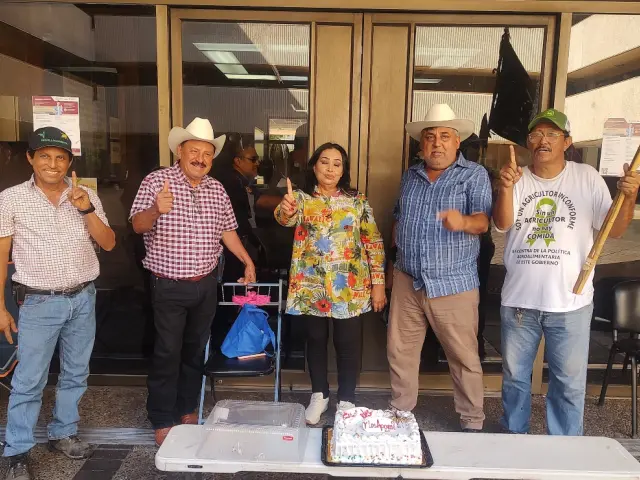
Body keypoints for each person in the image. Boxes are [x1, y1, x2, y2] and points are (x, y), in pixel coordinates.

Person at [494, 108, 640, 436]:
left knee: (569, 384)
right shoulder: (517, 178)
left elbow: (615, 229)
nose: (542, 140)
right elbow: (502, 224)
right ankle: (513, 440)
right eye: (536, 134)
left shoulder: (586, 177)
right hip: (519, 303)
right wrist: (505, 188)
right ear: (528, 142)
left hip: (571, 304)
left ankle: (565, 448)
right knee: (515, 380)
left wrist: (629, 197)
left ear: (567, 142)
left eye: (552, 134)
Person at [129, 117, 256, 446]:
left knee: (195, 350)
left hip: (205, 284)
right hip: (168, 285)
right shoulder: (157, 181)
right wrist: (156, 210)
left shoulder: (216, 188)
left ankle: (187, 408)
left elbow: (228, 231)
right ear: (180, 152)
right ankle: (161, 417)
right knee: (167, 352)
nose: (200, 158)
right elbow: (138, 225)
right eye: (194, 151)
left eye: (207, 153)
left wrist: (247, 260)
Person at [0, 127, 115, 480]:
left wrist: (86, 209)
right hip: (39, 301)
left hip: (82, 296)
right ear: (30, 158)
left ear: (69, 162)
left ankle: (63, 433)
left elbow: (109, 242)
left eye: (60, 157)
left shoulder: (86, 195)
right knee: (29, 379)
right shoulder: (11, 199)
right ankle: (17, 451)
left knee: (76, 372)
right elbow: (1, 256)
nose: (53, 164)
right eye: (45, 156)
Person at [388, 104, 492, 432]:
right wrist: (393, 266)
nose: (437, 143)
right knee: (401, 353)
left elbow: (483, 221)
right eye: (430, 136)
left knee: (463, 357)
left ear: (457, 141)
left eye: (445, 136)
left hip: (453, 283)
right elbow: (398, 218)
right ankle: (400, 415)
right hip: (408, 280)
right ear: (421, 143)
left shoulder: (473, 174)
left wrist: (463, 222)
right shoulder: (410, 176)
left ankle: (472, 421)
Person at [274, 142, 386, 425]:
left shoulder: (357, 201)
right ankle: (319, 394)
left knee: (348, 342)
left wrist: (378, 283)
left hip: (350, 285)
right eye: (324, 162)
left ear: (343, 170)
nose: (330, 169)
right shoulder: (301, 199)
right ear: (314, 166)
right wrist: (286, 208)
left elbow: (373, 241)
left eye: (337, 164)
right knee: (315, 340)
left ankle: (346, 398)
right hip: (311, 285)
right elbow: (284, 219)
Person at [216, 140, 281, 281]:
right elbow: (262, 201)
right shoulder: (233, 181)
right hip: (233, 243)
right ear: (238, 161)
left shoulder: (241, 180)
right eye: (253, 159)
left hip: (240, 242)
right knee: (235, 284)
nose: (257, 163)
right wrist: (294, 201)